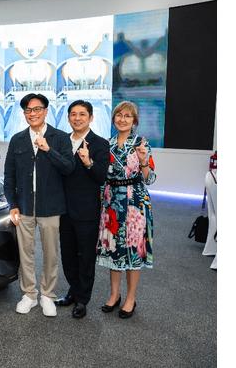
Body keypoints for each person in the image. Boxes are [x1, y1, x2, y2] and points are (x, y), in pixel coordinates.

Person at [4, 93, 74, 317]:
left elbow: (69, 168)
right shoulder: (17, 139)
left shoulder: (60, 137)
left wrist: (48, 149)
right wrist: (13, 204)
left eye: (37, 109)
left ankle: (48, 295)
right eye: (28, 110)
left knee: (51, 253)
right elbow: (9, 176)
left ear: (45, 111)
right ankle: (29, 294)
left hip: (51, 206)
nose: (32, 114)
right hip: (24, 206)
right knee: (25, 252)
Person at [97, 100, 156, 319]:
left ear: (134, 121)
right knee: (114, 249)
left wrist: (143, 162)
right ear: (113, 118)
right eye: (119, 115)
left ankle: (130, 298)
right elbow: (102, 178)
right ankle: (114, 295)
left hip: (135, 205)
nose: (122, 119)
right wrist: (101, 204)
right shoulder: (107, 144)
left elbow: (150, 179)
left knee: (133, 250)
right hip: (111, 203)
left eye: (127, 116)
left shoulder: (141, 143)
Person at [56, 100, 110, 319]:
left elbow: (101, 177)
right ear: (68, 117)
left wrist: (88, 162)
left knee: (85, 257)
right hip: (63, 209)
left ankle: (82, 299)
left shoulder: (99, 143)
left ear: (91, 118)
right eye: (73, 114)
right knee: (68, 255)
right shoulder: (61, 141)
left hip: (86, 210)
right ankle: (73, 290)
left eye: (82, 114)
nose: (77, 118)